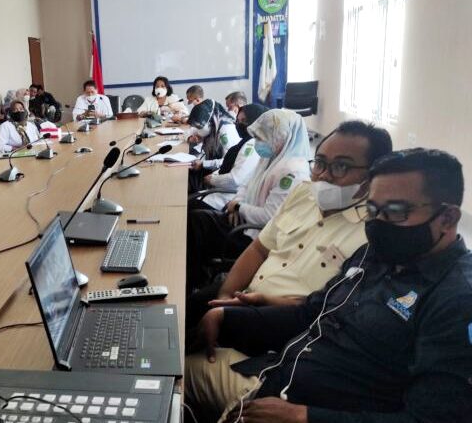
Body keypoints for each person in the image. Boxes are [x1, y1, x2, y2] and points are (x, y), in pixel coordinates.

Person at [186, 148, 472, 423]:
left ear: (447, 219)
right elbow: (312, 313)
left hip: (305, 410)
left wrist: (304, 417)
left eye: (396, 211)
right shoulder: (375, 255)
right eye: (373, 210)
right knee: (173, 367)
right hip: (276, 377)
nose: (379, 223)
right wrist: (226, 318)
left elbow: (432, 417)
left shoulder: (456, 299)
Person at [186, 121, 392, 330]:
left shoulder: (373, 235)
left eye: (341, 166)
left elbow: (327, 308)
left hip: (286, 320)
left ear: (373, 175)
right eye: (319, 163)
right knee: (186, 309)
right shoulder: (304, 193)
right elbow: (259, 249)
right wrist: (225, 295)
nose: (323, 175)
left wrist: (243, 309)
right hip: (245, 292)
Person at [186, 109, 311, 293]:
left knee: (198, 224)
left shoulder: (293, 172)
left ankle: (194, 282)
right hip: (242, 220)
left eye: (262, 137)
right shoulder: (270, 158)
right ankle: (195, 279)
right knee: (196, 219)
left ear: (280, 137)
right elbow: (245, 185)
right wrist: (236, 203)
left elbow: (269, 218)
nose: (257, 142)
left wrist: (239, 207)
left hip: (254, 237)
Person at [190, 104, 269, 210]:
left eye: (244, 121)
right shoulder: (246, 141)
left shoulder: (251, 145)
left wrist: (213, 179)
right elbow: (229, 164)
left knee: (188, 205)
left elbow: (236, 179)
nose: (239, 124)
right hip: (222, 189)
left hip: (229, 197)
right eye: (238, 120)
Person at [187, 86, 242, 191]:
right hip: (214, 169)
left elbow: (229, 161)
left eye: (200, 127)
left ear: (211, 120)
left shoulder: (225, 131)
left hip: (224, 178)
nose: (199, 130)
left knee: (190, 179)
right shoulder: (214, 126)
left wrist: (203, 164)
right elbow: (192, 131)